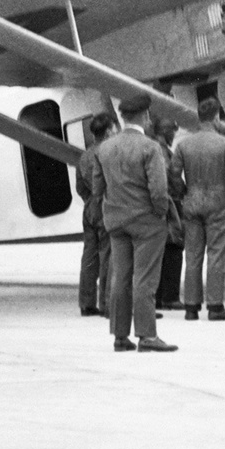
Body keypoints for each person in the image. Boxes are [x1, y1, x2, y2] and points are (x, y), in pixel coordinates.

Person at [90, 93, 177, 352]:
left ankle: (120, 336)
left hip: (116, 222)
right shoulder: (150, 148)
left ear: (122, 117)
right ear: (146, 116)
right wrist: (161, 213)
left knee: (120, 277)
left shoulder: (104, 148)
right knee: (145, 279)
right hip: (146, 222)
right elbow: (159, 190)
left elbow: (97, 189)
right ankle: (147, 335)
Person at [171, 98, 225, 321]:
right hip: (218, 203)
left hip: (192, 201)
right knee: (216, 255)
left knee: (192, 256)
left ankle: (191, 307)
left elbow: (173, 174)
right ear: (216, 118)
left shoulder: (183, 145)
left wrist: (184, 192)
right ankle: (215, 306)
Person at [75, 112, 117, 317]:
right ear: (109, 130)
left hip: (90, 207)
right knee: (108, 254)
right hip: (106, 206)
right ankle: (107, 303)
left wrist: (91, 201)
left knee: (89, 257)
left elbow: (79, 187)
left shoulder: (85, 155)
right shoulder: (110, 152)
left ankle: (86, 302)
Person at [152, 117, 184, 319]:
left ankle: (159, 297)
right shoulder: (161, 152)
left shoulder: (155, 148)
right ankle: (170, 297)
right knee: (173, 249)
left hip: (159, 206)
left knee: (161, 252)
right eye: (173, 131)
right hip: (168, 205)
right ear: (166, 132)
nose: (174, 136)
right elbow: (168, 179)